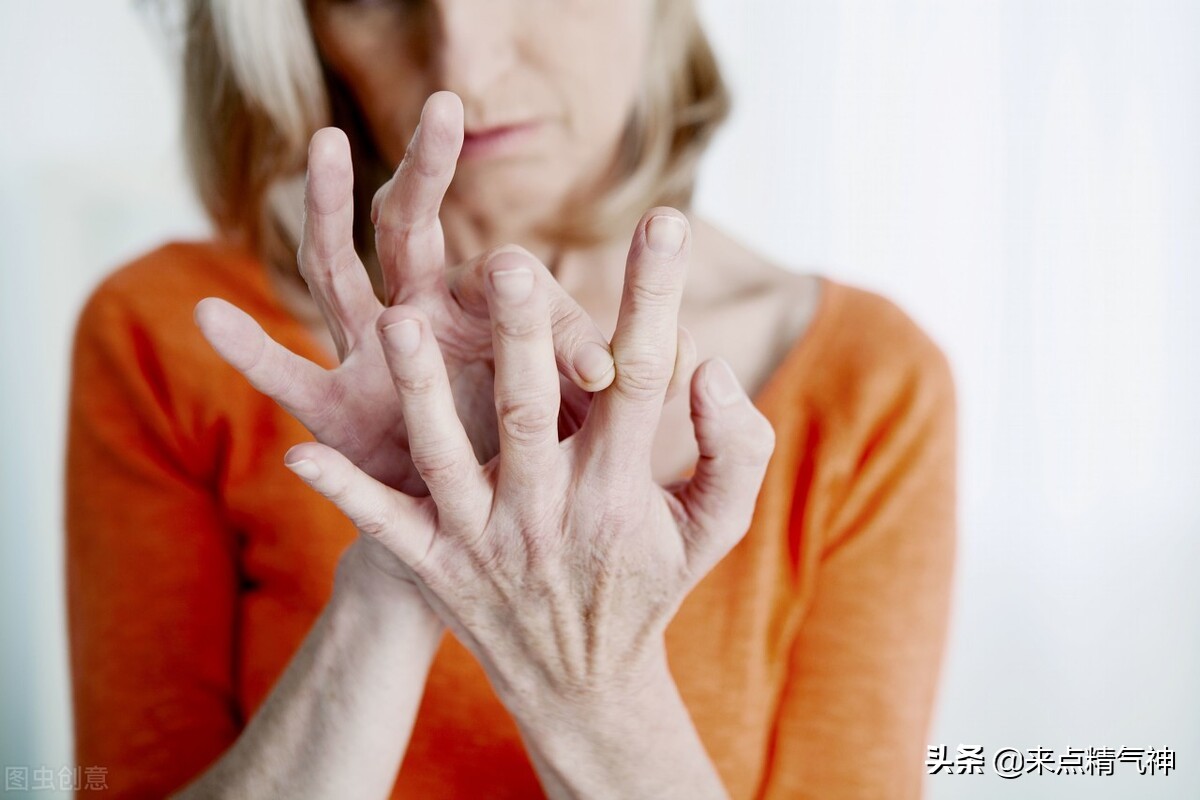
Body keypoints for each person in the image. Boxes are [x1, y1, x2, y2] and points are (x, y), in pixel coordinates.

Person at [66, 1, 957, 797]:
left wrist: (589, 681)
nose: (463, 60)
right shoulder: (172, 335)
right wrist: (406, 561)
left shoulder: (868, 382)